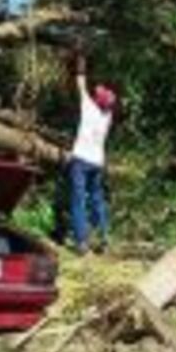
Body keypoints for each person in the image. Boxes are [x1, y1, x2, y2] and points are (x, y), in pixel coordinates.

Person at [68, 53, 116, 255]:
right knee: (97, 199)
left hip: (80, 161)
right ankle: (104, 237)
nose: (97, 92)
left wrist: (80, 60)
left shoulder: (89, 108)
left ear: (97, 101)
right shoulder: (107, 116)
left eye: (99, 93)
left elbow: (80, 83)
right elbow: (101, 97)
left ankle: (81, 242)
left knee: (78, 199)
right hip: (97, 162)